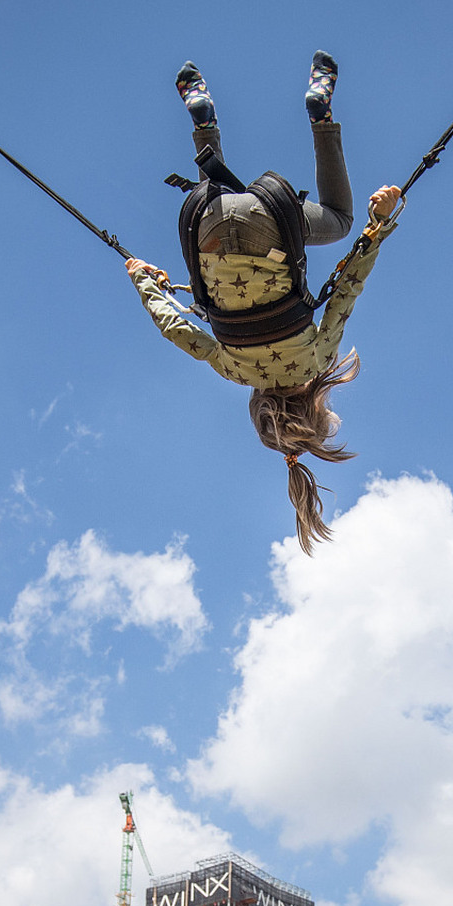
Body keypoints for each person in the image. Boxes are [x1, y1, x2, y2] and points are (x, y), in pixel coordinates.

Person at [126, 53, 400, 553]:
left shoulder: (315, 360)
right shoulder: (234, 371)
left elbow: (347, 291)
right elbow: (176, 329)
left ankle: (321, 116)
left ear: (314, 404)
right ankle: (204, 122)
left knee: (339, 220)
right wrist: (144, 281)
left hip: (270, 220)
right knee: (214, 194)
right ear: (259, 409)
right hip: (207, 225)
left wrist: (377, 226)